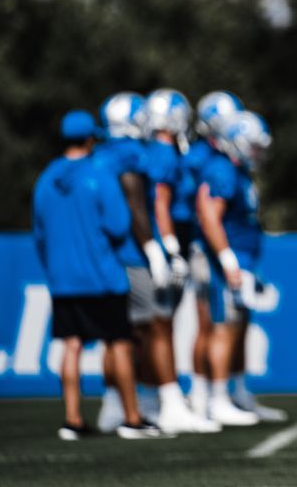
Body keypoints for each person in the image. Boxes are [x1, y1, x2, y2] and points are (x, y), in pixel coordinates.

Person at [33, 110, 165, 440]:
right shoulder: (98, 174)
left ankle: (72, 419)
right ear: (91, 139)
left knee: (72, 346)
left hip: (63, 279)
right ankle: (132, 419)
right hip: (102, 275)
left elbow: (39, 233)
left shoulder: (45, 179)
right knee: (119, 343)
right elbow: (119, 225)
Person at [139, 88, 221, 433]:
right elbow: (159, 203)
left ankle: (152, 400)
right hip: (164, 249)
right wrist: (170, 248)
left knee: (158, 325)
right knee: (160, 325)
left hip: (167, 246)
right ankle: (168, 401)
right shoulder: (163, 154)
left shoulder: (162, 152)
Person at [93, 92, 176, 433]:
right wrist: (154, 251)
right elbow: (136, 206)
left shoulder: (100, 154)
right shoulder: (130, 155)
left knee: (115, 335)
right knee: (146, 330)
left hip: (104, 256)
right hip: (130, 253)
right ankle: (139, 402)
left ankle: (115, 403)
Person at [195, 109, 279, 427]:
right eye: (253, 146)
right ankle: (217, 399)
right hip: (229, 261)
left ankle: (239, 393)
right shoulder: (221, 171)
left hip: (243, 259)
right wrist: (228, 260)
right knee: (223, 328)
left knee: (238, 327)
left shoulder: (237, 172)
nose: (257, 152)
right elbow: (209, 217)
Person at [183, 90, 243, 419]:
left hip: (208, 246)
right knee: (209, 324)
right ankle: (201, 396)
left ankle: (209, 396)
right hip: (203, 247)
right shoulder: (205, 161)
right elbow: (204, 212)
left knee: (219, 324)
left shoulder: (219, 160)